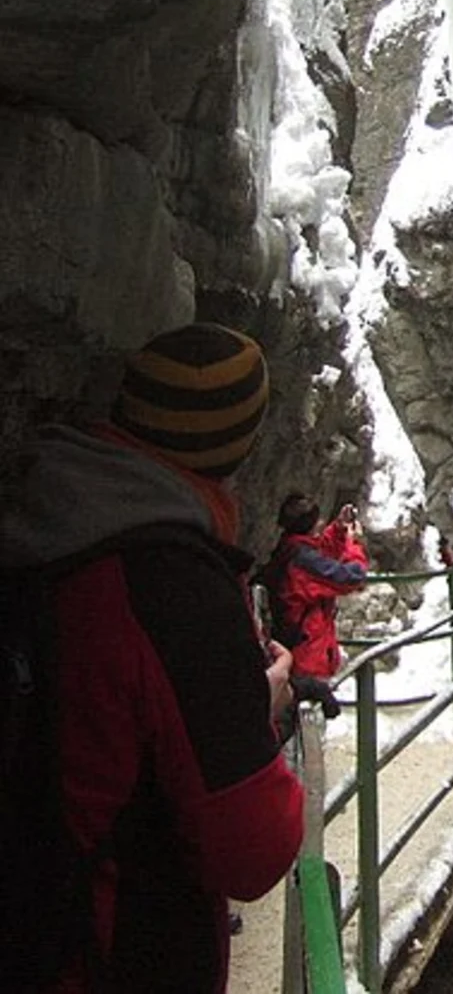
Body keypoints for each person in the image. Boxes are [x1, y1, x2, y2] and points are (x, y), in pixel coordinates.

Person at [0, 321, 304, 994]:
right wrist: (263, 707)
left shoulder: (48, 524)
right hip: (111, 951)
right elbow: (254, 848)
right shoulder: (172, 587)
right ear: (239, 446)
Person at [260, 491, 368, 717]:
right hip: (305, 656)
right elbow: (351, 577)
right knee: (307, 727)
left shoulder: (291, 549)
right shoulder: (302, 560)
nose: (321, 523)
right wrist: (353, 544)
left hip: (296, 647)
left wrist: (339, 529)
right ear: (309, 525)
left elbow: (320, 553)